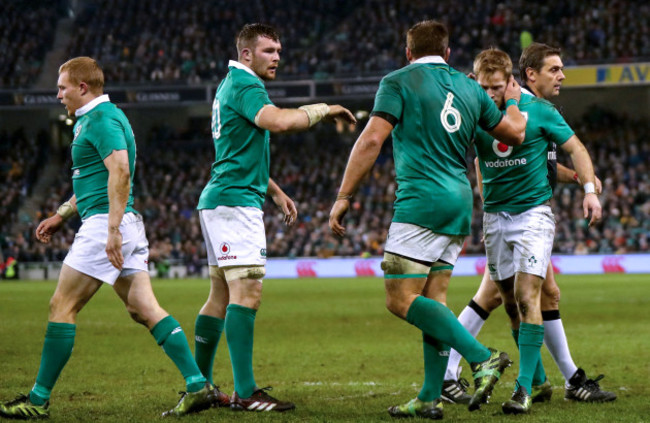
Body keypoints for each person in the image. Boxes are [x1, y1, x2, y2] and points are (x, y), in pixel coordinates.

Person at [329, 20, 527, 420]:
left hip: (420, 203)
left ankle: (481, 357)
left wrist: (344, 195)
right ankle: (429, 396)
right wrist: (512, 99)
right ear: (449, 53)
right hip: (459, 202)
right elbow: (514, 133)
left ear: (408, 52)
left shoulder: (398, 81)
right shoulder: (470, 87)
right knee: (433, 300)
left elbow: (371, 139)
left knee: (399, 298)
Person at [0, 57, 214, 420]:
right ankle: (198, 385)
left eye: (62, 87)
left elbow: (121, 170)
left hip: (106, 226)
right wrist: (61, 214)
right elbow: (94, 179)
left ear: (82, 87)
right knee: (143, 309)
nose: (57, 94)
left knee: (61, 306)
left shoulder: (101, 120)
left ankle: (37, 401)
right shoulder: (95, 120)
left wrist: (112, 231)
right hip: (119, 223)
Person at [442, 46, 617, 408]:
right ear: (528, 76)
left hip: (530, 216)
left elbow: (552, 163)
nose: (561, 76)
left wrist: (585, 183)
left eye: (562, 68)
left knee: (531, 296)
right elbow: (490, 159)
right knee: (507, 298)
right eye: (554, 69)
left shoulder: (543, 112)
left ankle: (545, 381)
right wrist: (485, 198)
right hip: (499, 217)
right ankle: (545, 379)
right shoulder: (497, 111)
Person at [194, 23, 356, 413]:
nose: (277, 57)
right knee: (247, 292)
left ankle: (197, 385)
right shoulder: (247, 86)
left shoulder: (229, 84)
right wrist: (326, 108)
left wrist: (276, 191)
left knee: (219, 296)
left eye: (279, 50)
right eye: (269, 50)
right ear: (246, 53)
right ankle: (245, 392)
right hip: (234, 205)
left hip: (222, 199)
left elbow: (239, 152)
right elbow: (280, 122)